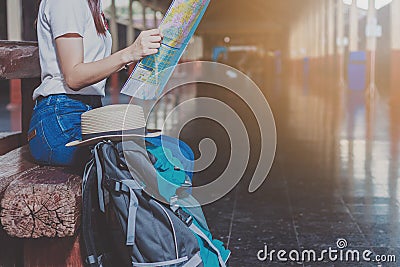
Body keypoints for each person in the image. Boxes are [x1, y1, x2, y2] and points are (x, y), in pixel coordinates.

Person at [28, 0, 162, 167]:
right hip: (61, 120)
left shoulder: (89, 6)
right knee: (160, 156)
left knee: (170, 151)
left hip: (87, 114)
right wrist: (130, 53)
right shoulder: (67, 2)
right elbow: (74, 77)